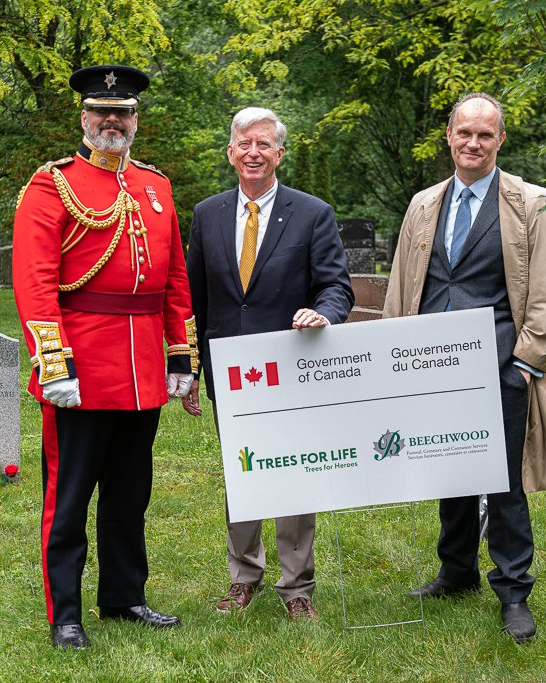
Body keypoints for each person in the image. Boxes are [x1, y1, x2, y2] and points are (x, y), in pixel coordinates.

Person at [12, 64, 199, 650]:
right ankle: (64, 612)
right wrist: (52, 361)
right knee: (68, 496)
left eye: (122, 112)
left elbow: (174, 280)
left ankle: (124, 595)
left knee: (129, 494)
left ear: (136, 120)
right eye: (101, 111)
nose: (112, 121)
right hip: (83, 364)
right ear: (84, 117)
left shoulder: (155, 186)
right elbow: (35, 281)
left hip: (143, 367)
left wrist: (180, 357)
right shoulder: (52, 185)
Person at [382, 92, 546, 643]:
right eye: (465, 133)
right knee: (448, 470)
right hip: (429, 364)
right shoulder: (423, 204)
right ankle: (456, 572)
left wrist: (527, 362)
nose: (473, 143)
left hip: (500, 365)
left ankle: (514, 590)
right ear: (449, 135)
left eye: (485, 135)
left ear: (500, 140)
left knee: (501, 478)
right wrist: (394, 353)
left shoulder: (532, 204)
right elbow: (401, 282)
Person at [182, 107, 354, 621]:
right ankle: (243, 576)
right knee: (244, 472)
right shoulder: (206, 215)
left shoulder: (312, 213)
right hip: (230, 370)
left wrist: (321, 313)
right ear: (230, 152)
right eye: (243, 144)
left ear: (280, 153)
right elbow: (193, 299)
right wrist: (190, 366)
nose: (253, 152)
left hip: (293, 366)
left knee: (295, 474)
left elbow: (336, 286)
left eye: (263, 144)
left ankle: (297, 585)